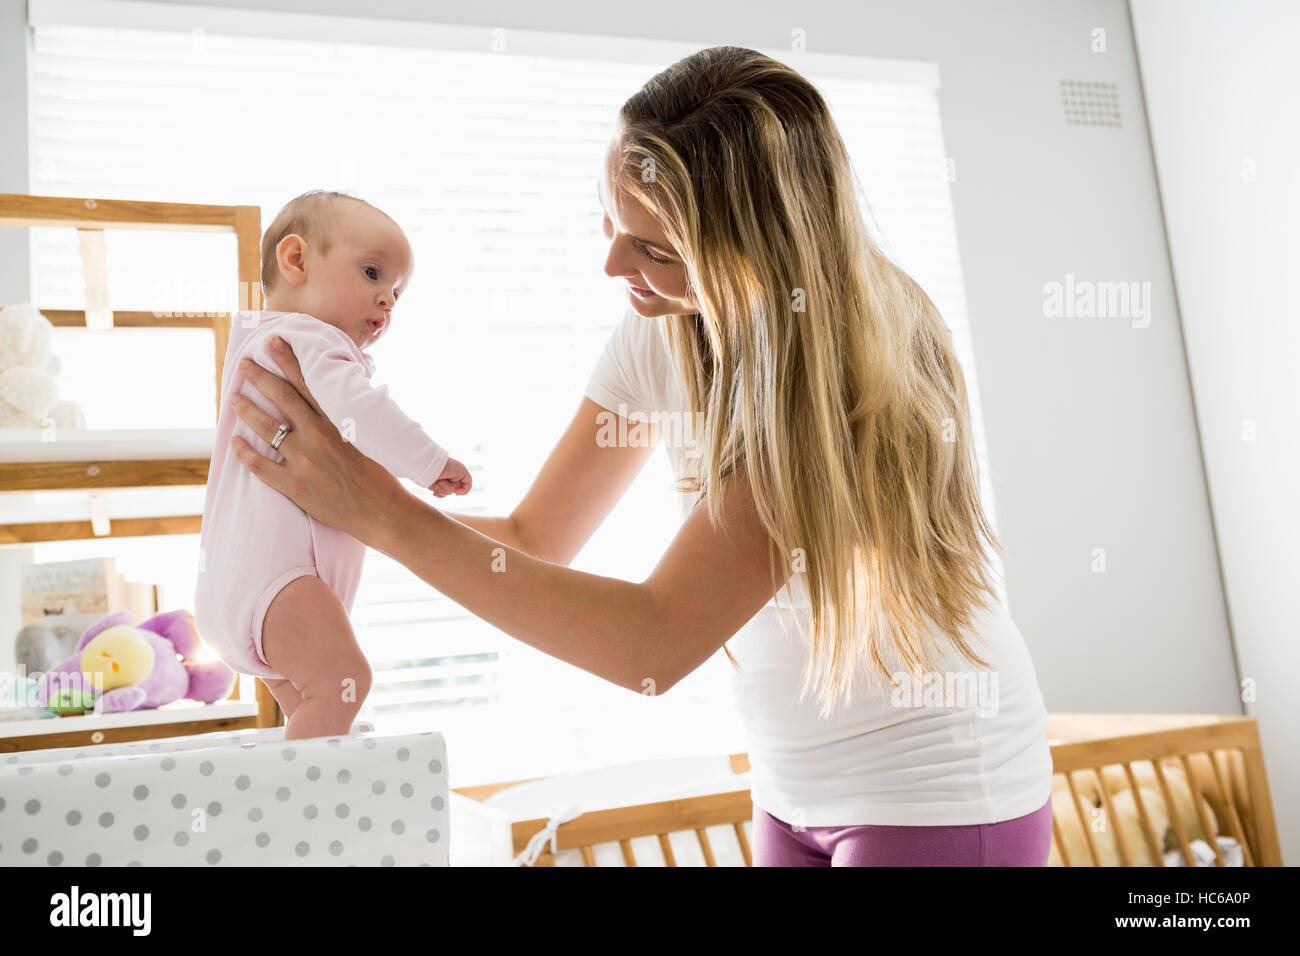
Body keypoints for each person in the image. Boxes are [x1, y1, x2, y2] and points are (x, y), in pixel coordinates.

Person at [225, 46, 1054, 865]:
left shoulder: (834, 369)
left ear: (760, 252)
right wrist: (308, 522)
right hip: (790, 788)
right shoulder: (663, 328)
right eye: (611, 221)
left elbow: (651, 646)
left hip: (936, 795)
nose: (614, 264)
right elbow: (531, 539)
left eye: (656, 249)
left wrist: (377, 508)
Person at [195, 190, 471, 741]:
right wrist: (429, 462)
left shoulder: (253, 339)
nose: (387, 300)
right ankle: (301, 815)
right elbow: (361, 411)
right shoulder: (309, 338)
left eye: (396, 292)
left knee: (316, 717)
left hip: (237, 591)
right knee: (345, 680)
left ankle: (307, 801)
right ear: (295, 261)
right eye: (372, 273)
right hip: (279, 585)